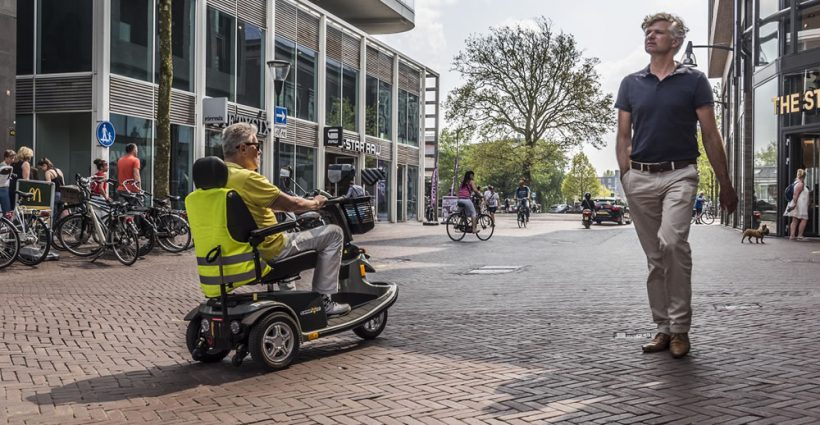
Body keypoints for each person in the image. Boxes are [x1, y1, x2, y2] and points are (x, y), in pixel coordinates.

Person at [615, 12, 737, 359]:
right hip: (639, 177)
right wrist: (626, 177)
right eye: (648, 32)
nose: (650, 37)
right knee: (655, 259)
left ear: (676, 40)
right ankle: (663, 328)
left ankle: (681, 328)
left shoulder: (694, 80)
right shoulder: (630, 83)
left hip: (680, 174)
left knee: (671, 243)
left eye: (658, 32)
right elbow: (623, 136)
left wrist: (725, 183)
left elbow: (711, 135)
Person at [220, 123, 350, 316]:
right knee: (334, 234)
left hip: (233, 252)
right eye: (257, 145)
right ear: (243, 148)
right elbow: (290, 204)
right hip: (269, 249)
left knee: (288, 230)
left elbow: (268, 204)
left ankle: (289, 297)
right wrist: (316, 203)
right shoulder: (247, 178)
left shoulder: (218, 177)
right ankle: (325, 301)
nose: (260, 151)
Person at [785, 169, 810, 241]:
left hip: (797, 203)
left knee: (795, 219)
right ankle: (800, 235)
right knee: (804, 219)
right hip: (800, 204)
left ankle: (792, 236)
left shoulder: (796, 182)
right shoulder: (800, 184)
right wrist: (794, 204)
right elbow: (795, 195)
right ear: (804, 176)